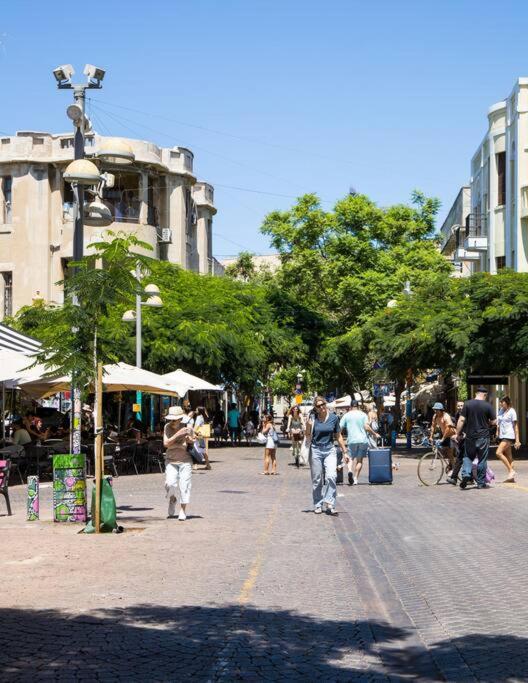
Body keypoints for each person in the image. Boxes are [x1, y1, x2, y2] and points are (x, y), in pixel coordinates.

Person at [306, 396, 347, 515]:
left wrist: (344, 451)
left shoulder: (334, 418)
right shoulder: (313, 418)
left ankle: (330, 503)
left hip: (329, 449)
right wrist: (308, 425)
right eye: (318, 406)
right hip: (316, 449)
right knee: (317, 479)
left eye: (323, 404)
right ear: (316, 408)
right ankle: (318, 504)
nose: (321, 407)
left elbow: (338, 436)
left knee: (331, 476)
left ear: (325, 404)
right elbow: (307, 434)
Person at [455, 387, 497, 490]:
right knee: (482, 459)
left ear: (476, 393)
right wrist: (488, 422)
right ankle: (480, 483)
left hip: (470, 437)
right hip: (483, 437)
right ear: (485, 395)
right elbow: (494, 422)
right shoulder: (488, 406)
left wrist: (457, 433)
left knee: (467, 457)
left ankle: (466, 475)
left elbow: (461, 420)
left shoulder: (468, 404)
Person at [163, 405, 195, 520]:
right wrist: (178, 435)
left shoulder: (187, 426)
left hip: (185, 460)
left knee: (184, 486)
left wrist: (189, 438)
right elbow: (166, 444)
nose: (172, 421)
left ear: (181, 418)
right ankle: (172, 499)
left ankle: (182, 510)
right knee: (169, 484)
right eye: (171, 419)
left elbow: (191, 441)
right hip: (171, 460)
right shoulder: (167, 427)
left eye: (175, 419)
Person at [340, 401, 379, 485]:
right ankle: (355, 478)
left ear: (350, 406)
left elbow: (340, 427)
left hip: (351, 440)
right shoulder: (363, 415)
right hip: (362, 440)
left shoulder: (346, 415)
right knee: (359, 460)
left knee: (350, 458)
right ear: (358, 406)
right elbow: (366, 427)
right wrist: (374, 434)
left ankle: (350, 470)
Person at [496, 395, 521, 482]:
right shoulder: (501, 411)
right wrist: (497, 432)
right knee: (509, 456)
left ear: (507, 402)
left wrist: (517, 440)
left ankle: (511, 470)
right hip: (503, 436)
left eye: (502, 402)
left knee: (498, 453)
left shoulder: (512, 411)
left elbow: (515, 426)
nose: (500, 403)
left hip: (509, 436)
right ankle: (512, 478)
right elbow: (498, 423)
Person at [429, 402, 455, 475]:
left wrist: (443, 438)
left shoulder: (446, 416)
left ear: (441, 410)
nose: (435, 411)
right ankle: (450, 464)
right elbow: (433, 426)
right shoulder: (435, 416)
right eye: (435, 410)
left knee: (450, 453)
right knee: (443, 451)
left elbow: (448, 428)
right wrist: (431, 436)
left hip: (451, 435)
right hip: (444, 434)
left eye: (437, 410)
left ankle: (453, 468)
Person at [447, 400, 466, 485]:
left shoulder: (467, 414)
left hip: (467, 438)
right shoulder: (457, 415)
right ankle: (458, 477)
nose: (460, 407)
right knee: (461, 458)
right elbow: (457, 426)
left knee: (461, 458)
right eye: (458, 406)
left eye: (462, 406)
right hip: (460, 438)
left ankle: (455, 477)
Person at [193, 406, 212, 471]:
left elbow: (196, 427)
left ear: (199, 411)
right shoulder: (202, 417)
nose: (195, 411)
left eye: (196, 410)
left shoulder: (199, 417)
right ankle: (208, 465)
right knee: (202, 451)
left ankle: (195, 465)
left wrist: (193, 431)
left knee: (195, 450)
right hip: (201, 436)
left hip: (197, 435)